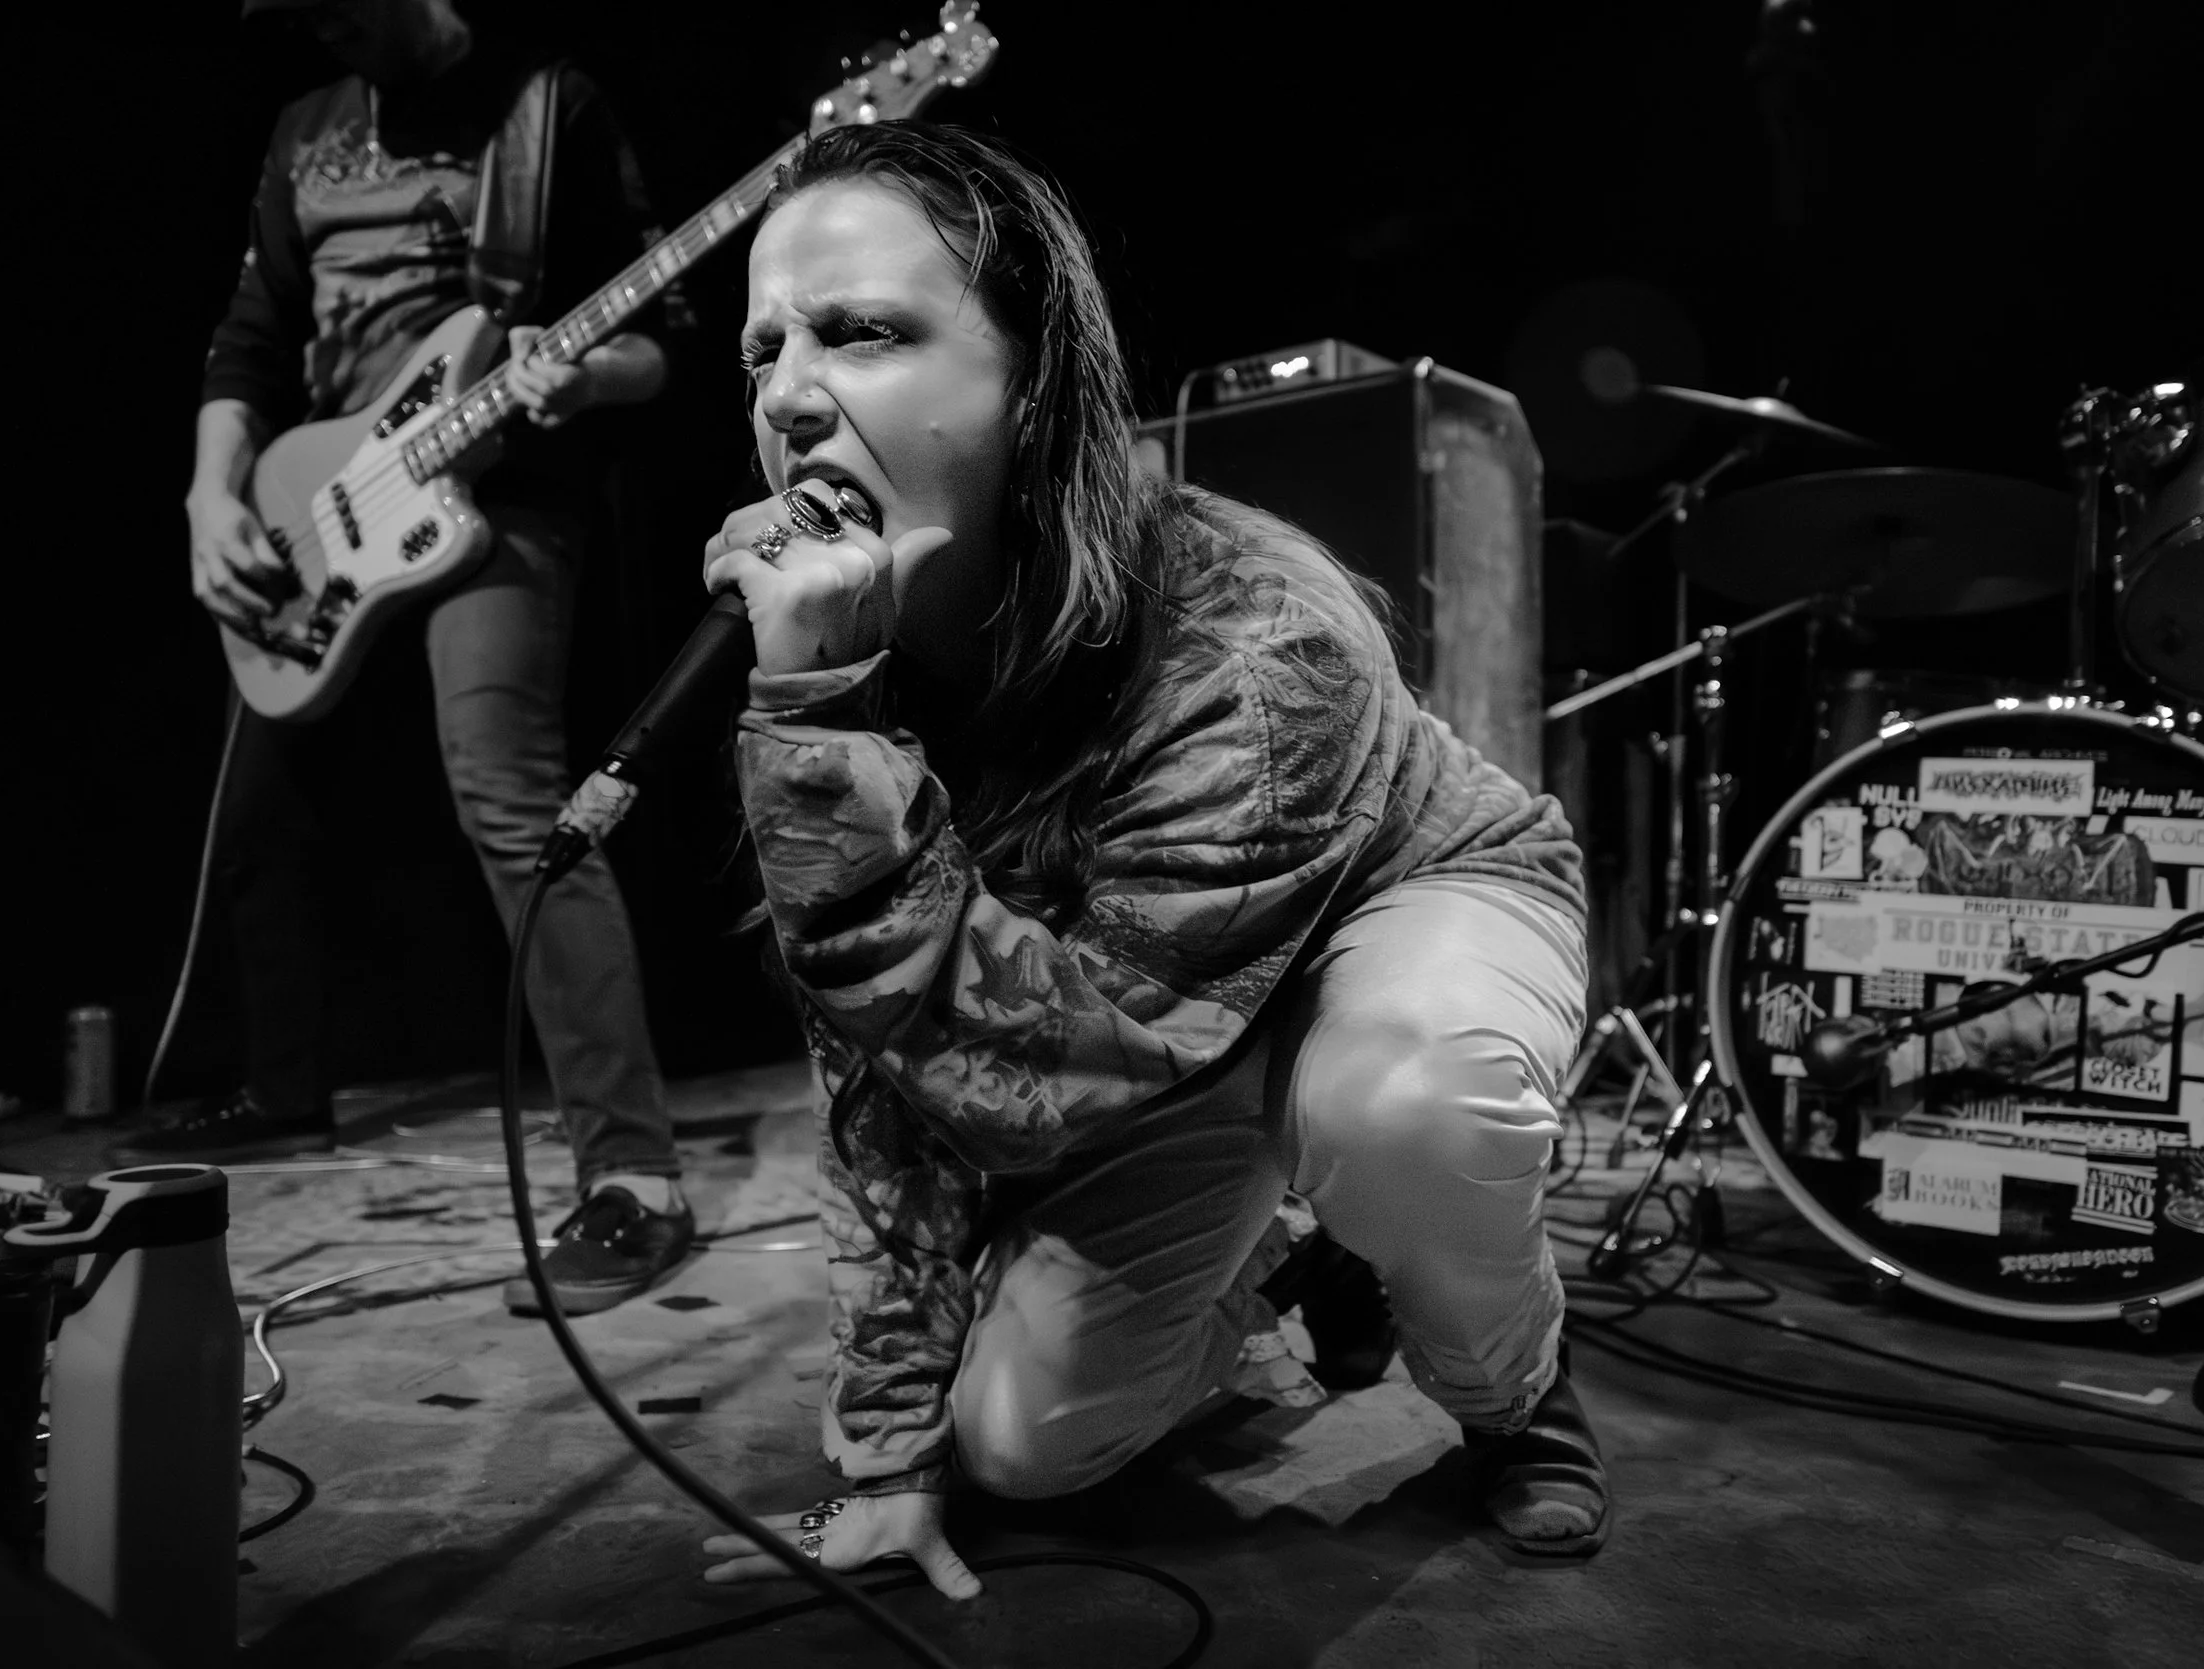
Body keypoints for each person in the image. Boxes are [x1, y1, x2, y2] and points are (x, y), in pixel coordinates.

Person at [688, 122, 1610, 1602]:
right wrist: (888, 1450)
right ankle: (1298, 1250)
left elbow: (1033, 1082)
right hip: (1140, 1017)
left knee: (1399, 1103)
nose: (790, 395)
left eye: (863, 334)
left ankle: (1515, 1396)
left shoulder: (1260, 647)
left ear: (1032, 376)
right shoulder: (848, 648)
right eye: (761, 350)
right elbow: (880, 1061)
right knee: (1019, 1451)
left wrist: (824, 743)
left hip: (1395, 905)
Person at [129, 0, 693, 1316]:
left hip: (497, 496)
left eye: (345, 12)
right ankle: (284, 1088)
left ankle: (636, 1179)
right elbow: (250, 337)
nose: (331, 39)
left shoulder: (547, 105)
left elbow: (668, 341)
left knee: (509, 794)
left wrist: (589, 378)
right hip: (320, 499)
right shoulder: (305, 129)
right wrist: (211, 499)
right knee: (257, 807)